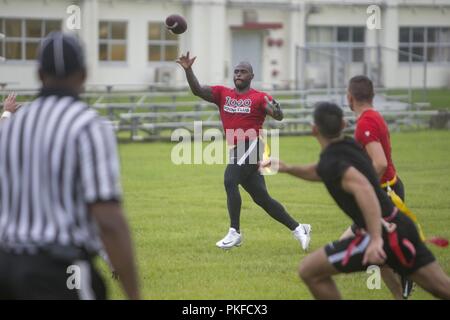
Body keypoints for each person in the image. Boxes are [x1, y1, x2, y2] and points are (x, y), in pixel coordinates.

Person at [260, 102, 450, 299]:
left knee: (310, 271)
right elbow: (320, 171)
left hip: (385, 234)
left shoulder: (333, 162)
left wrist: (376, 239)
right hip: (400, 227)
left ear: (314, 129)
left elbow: (364, 189)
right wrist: (288, 168)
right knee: (443, 288)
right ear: (343, 125)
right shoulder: (347, 146)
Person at [0, 32, 139, 299]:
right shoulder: (88, 126)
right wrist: (133, 293)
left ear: (39, 74)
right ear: (84, 75)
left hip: (6, 266)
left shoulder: (11, 127)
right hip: (58, 271)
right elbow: (108, 220)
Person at [176, 52, 311, 250]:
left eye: (243, 72)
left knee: (230, 179)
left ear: (251, 76)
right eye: (236, 72)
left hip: (253, 145)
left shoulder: (259, 97)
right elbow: (197, 90)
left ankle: (234, 232)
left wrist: (278, 110)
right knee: (262, 199)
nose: (239, 74)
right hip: (237, 148)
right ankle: (299, 228)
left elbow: (277, 115)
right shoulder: (223, 94)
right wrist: (188, 70)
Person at [343, 75, 412, 299]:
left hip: (384, 194)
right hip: (387, 190)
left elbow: (380, 163)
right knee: (374, 251)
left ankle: (408, 273)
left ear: (349, 97)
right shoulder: (373, 116)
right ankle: (403, 287)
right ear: (372, 96)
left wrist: (364, 186)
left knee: (349, 246)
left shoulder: (366, 122)